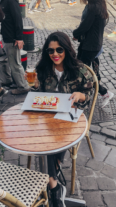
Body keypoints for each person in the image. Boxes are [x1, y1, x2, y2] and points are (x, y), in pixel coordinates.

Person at [29, 31, 93, 207]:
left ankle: (52, 184)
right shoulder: (43, 69)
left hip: (71, 118)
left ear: (66, 49)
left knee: (50, 143)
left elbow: (89, 95)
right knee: (43, 139)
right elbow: (38, 99)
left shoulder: (79, 70)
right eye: (51, 51)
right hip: (48, 118)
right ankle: (54, 185)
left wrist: (80, 95)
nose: (55, 54)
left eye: (59, 50)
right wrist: (34, 87)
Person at [73, 0, 114, 108]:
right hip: (93, 44)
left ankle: (103, 93)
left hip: (90, 46)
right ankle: (90, 94)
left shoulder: (93, 8)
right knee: (86, 70)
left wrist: (75, 33)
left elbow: (85, 26)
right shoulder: (101, 8)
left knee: (83, 72)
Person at [0, 0, 30, 95]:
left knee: (15, 63)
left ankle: (23, 86)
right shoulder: (4, 0)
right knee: (10, 62)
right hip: (7, 37)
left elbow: (18, 20)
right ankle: (16, 82)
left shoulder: (10, 0)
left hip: (12, 39)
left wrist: (19, 38)